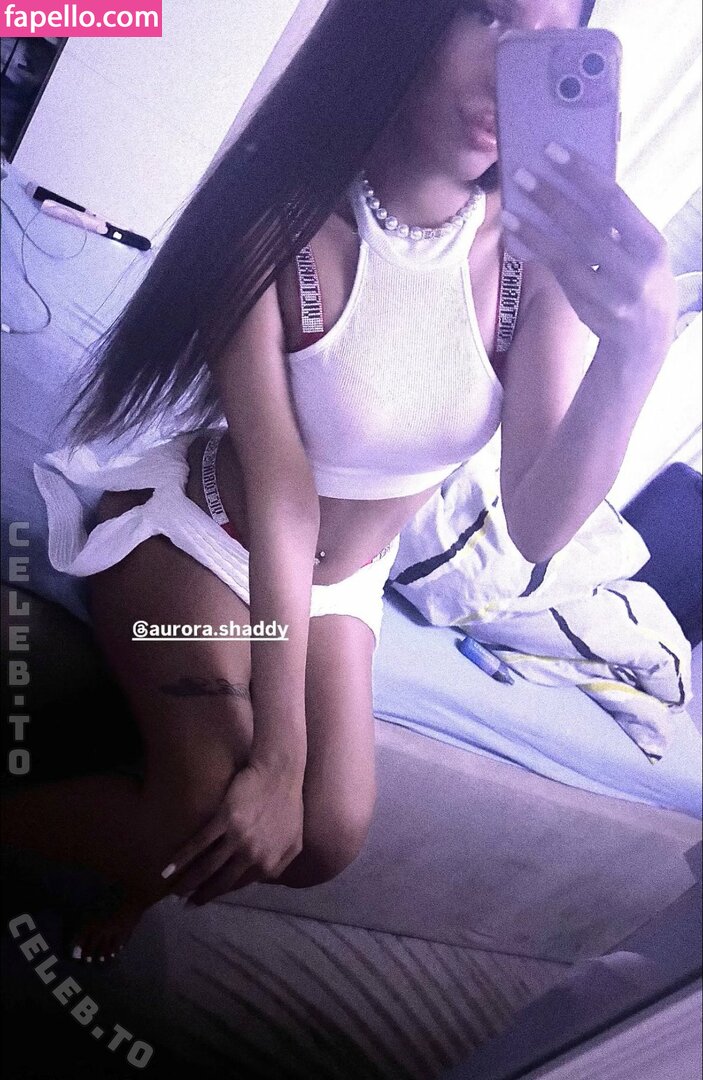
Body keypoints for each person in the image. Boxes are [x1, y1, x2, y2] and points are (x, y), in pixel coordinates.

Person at [3, 0, 677, 964]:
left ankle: (142, 864)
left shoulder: (532, 264)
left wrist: (637, 349)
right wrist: (279, 753)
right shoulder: (278, 226)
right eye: (490, 18)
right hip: (203, 539)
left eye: (544, 42)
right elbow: (281, 494)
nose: (509, 70)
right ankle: (137, 862)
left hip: (341, 589)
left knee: (326, 842)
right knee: (211, 800)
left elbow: (534, 526)